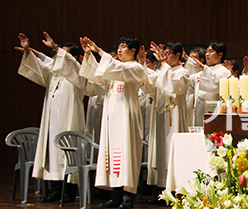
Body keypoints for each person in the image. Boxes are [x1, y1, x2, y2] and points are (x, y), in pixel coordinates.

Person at [16, 32, 85, 203]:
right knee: (53, 155)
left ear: (75, 57)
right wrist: (28, 52)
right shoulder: (55, 74)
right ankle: (55, 189)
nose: (59, 58)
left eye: (64, 54)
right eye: (58, 54)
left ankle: (69, 191)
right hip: (53, 123)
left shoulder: (78, 72)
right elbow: (41, 67)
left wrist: (54, 48)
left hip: (69, 121)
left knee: (67, 154)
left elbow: (68, 64)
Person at [79, 36, 147, 209]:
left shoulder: (136, 68)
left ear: (133, 51)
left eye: (123, 47)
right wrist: (89, 56)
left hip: (127, 117)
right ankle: (115, 195)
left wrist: (99, 50)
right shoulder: (115, 68)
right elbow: (98, 76)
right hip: (112, 118)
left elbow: (117, 68)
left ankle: (128, 196)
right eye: (118, 47)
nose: (119, 50)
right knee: (113, 155)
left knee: (127, 154)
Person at [142, 41, 190, 204]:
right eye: (164, 53)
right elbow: (149, 84)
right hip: (160, 118)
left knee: (172, 152)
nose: (165, 56)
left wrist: (163, 64)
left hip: (173, 119)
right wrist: (142, 63)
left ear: (177, 55)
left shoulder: (183, 73)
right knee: (160, 152)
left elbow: (175, 87)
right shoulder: (163, 70)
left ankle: (174, 191)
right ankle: (161, 190)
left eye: (168, 53)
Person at [189, 40, 231, 126]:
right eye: (206, 51)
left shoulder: (224, 71)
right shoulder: (204, 70)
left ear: (220, 55)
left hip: (212, 106)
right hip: (199, 105)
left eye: (211, 51)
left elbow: (215, 85)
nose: (207, 54)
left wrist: (203, 68)